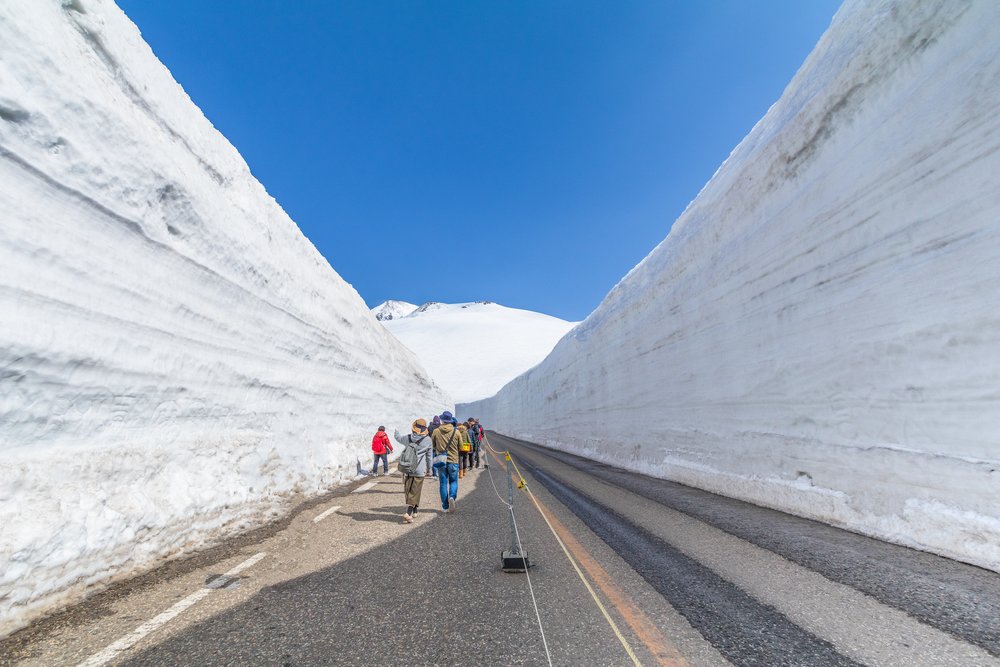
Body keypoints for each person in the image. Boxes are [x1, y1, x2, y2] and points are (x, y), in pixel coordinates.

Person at [394, 419, 431, 523]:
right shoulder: (428, 440)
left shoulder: (408, 437)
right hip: (420, 469)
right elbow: (429, 457)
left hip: (407, 467)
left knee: (410, 489)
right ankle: (408, 513)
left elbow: (398, 438)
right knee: (415, 490)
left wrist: (396, 431)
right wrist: (430, 469)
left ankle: (415, 510)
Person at [431, 411, 461, 511]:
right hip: (453, 460)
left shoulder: (436, 431)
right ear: (450, 420)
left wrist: (439, 448)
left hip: (441, 460)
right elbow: (460, 447)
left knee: (443, 483)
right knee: (453, 481)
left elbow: (433, 446)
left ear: (442, 420)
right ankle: (452, 497)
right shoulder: (456, 432)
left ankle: (445, 507)